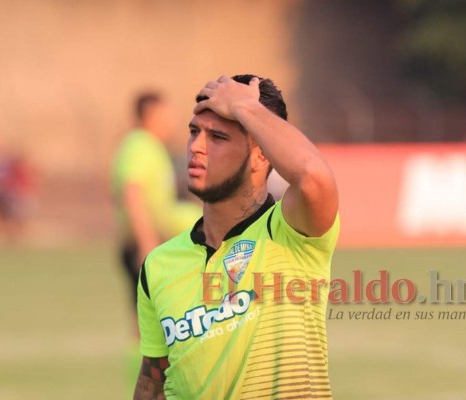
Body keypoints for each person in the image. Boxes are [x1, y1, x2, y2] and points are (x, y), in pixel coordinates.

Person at [134, 75, 340, 399]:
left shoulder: (292, 233)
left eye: (217, 137)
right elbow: (153, 382)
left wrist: (245, 106)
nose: (196, 148)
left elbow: (313, 177)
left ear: (261, 154)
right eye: (193, 132)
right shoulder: (159, 264)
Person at [112, 92, 201, 325]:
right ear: (150, 116)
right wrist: (146, 244)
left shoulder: (153, 147)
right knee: (148, 324)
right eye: (166, 115)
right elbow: (132, 193)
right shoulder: (139, 145)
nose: (172, 121)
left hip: (162, 246)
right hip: (149, 248)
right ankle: (137, 363)